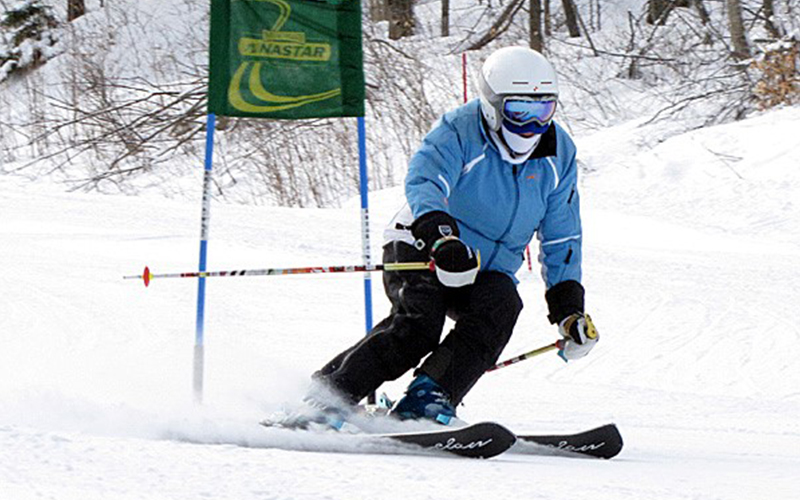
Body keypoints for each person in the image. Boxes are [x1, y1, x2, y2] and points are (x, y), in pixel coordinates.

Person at [305, 46, 599, 428]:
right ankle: (327, 397)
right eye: (519, 112)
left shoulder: (557, 154)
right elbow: (426, 179)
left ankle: (429, 399)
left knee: (501, 306)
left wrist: (568, 309)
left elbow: (562, 234)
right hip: (422, 244)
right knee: (419, 326)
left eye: (543, 111)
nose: (531, 127)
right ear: (493, 106)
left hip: (486, 266)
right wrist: (442, 238)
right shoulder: (460, 130)